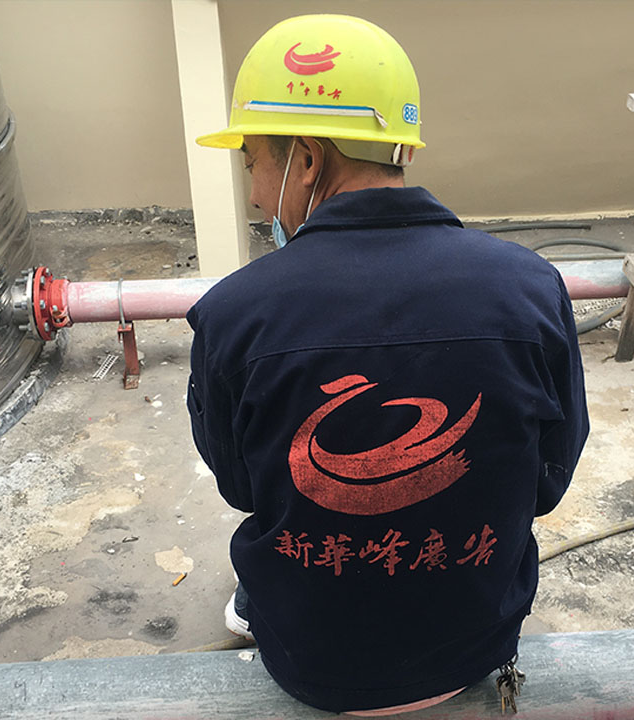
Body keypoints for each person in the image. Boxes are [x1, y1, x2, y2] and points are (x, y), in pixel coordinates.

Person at [186, 14, 588, 715]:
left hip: (310, 665)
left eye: (252, 162)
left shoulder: (234, 314)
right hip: (474, 649)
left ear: (306, 160)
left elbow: (243, 486)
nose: (253, 193)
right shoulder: (530, 289)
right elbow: (550, 479)